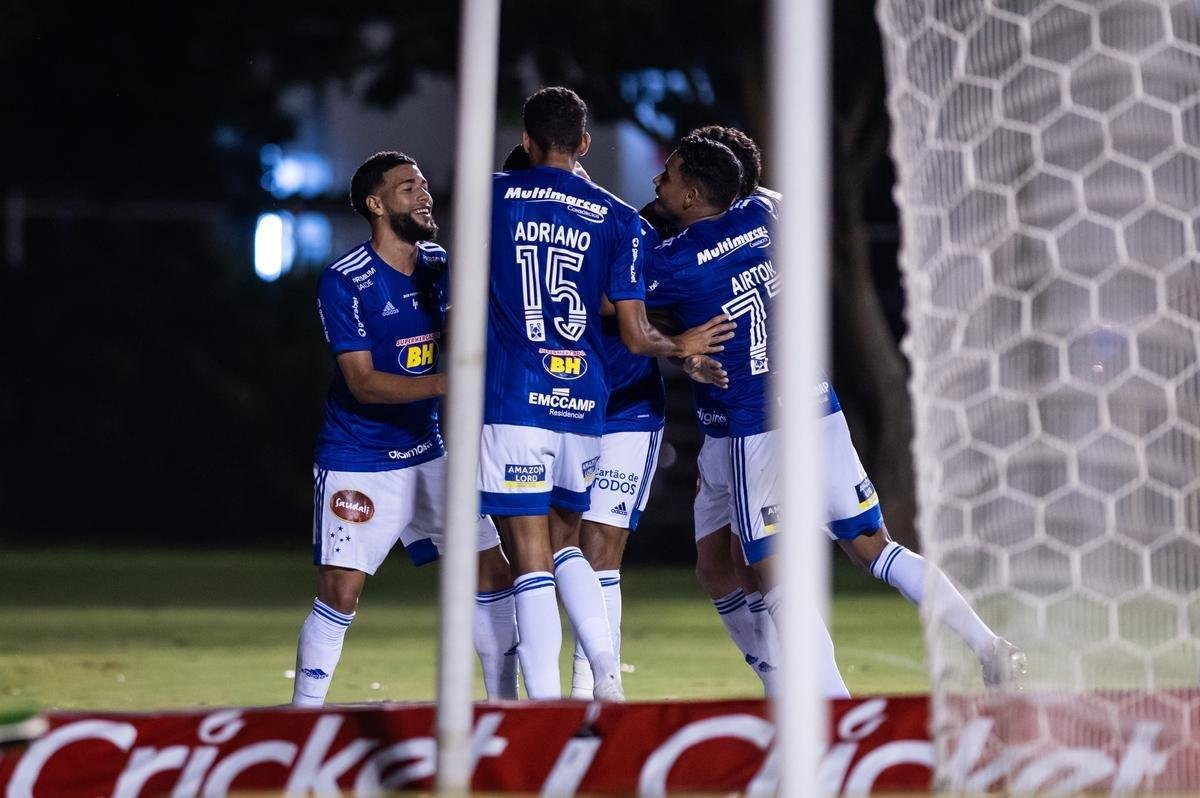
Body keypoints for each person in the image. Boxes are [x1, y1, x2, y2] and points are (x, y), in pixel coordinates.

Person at [655, 128, 1027, 693]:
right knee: (871, 548)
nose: (659, 180)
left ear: (691, 196)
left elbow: (619, 306)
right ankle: (985, 643)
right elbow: (764, 196)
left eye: (669, 175)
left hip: (755, 429)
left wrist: (681, 347)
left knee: (771, 576)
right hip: (815, 410)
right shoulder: (764, 216)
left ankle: (832, 712)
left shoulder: (676, 262)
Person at [481, 87, 735, 701]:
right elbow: (636, 326)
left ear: (524, 140)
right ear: (585, 145)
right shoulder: (617, 217)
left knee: (533, 556)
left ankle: (543, 706)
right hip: (584, 403)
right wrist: (684, 347)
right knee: (569, 546)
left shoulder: (493, 198)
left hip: (523, 398)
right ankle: (605, 680)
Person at [292, 151, 517, 707]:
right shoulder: (345, 282)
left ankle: (507, 711)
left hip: (428, 452)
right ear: (376, 205)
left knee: (493, 573)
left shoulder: (439, 263)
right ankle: (302, 720)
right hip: (359, 458)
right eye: (408, 188)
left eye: (424, 184)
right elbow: (364, 383)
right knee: (340, 593)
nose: (424, 195)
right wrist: (452, 384)